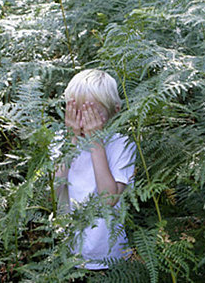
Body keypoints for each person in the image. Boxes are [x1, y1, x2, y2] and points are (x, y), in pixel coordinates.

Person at [54, 69, 137, 272]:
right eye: (78, 113)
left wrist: (95, 142)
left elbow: (108, 199)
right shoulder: (60, 142)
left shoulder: (122, 145)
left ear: (115, 111)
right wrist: (72, 141)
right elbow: (53, 192)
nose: (85, 123)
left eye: (93, 115)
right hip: (69, 253)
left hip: (111, 255)